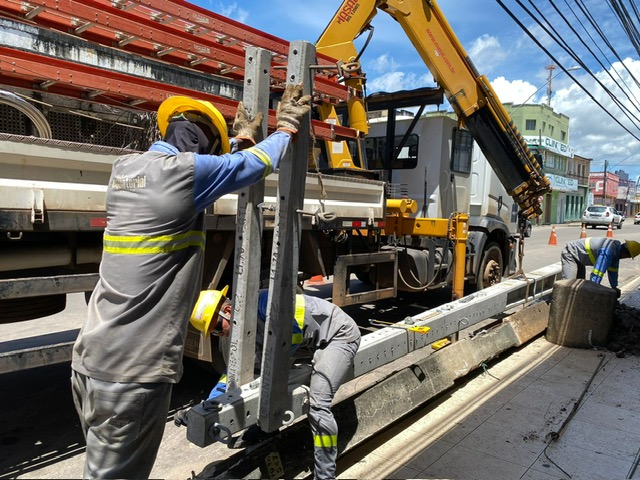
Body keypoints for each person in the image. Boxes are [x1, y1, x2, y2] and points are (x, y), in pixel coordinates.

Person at [70, 84, 312, 479]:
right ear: (204, 146)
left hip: (90, 362)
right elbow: (250, 166)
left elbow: (211, 171)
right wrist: (284, 128)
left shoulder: (125, 170)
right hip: (133, 374)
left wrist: (239, 141)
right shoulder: (185, 174)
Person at [189, 288, 361, 480]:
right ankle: (264, 430)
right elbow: (234, 375)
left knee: (319, 405)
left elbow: (291, 336)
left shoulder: (264, 303)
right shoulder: (244, 326)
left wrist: (269, 373)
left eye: (218, 328)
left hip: (336, 337)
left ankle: (325, 474)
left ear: (227, 312)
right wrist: (208, 404)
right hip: (307, 343)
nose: (219, 334)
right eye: (214, 333)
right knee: (261, 379)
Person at [560, 237, 640, 295]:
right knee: (568, 286)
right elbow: (597, 272)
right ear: (626, 254)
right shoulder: (609, 250)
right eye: (628, 257)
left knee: (580, 288)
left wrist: (614, 287)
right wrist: (593, 290)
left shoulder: (616, 253)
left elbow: (613, 272)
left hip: (580, 260)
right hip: (571, 253)